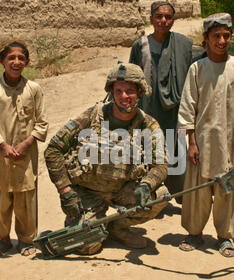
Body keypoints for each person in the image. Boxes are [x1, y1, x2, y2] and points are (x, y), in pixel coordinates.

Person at [44, 62, 168, 255]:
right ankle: (91, 221)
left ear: (140, 93)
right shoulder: (93, 116)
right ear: (111, 92)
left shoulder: (149, 125)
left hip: (122, 190)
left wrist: (146, 185)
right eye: (118, 91)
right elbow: (53, 149)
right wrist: (65, 190)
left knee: (159, 197)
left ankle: (117, 228)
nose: (124, 97)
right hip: (87, 192)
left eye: (130, 91)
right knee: (88, 247)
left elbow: (160, 164)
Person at [177, 13, 234, 257]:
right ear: (206, 39)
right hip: (202, 142)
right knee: (198, 191)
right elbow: (188, 106)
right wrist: (191, 142)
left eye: (226, 36)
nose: (221, 41)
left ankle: (225, 237)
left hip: (230, 140)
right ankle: (194, 233)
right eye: (216, 36)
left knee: (227, 191)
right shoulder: (197, 68)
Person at [0, 40, 48, 257]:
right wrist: (3, 146)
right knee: (1, 197)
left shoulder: (34, 89)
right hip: (1, 155)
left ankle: (26, 239)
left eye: (21, 58)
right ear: (1, 61)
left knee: (25, 198)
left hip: (26, 156)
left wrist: (27, 143)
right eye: (11, 58)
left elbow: (42, 123)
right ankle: (2, 239)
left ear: (27, 62)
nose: (16, 62)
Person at [129, 1, 193, 202]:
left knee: (177, 151)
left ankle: (181, 194)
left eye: (168, 17)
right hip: (149, 109)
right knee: (149, 153)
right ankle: (150, 195)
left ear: (173, 20)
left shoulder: (184, 44)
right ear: (151, 19)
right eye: (159, 16)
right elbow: (131, 78)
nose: (163, 21)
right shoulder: (141, 46)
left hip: (176, 112)